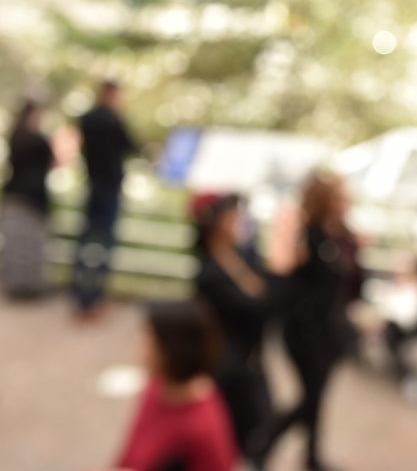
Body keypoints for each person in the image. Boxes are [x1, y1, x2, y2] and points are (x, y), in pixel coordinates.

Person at [253, 173, 364, 471]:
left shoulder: (340, 237)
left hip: (329, 333)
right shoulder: (307, 236)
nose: (346, 203)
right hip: (303, 333)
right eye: (339, 197)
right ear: (325, 201)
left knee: (316, 399)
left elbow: (353, 281)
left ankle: (310, 457)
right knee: (310, 398)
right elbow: (282, 278)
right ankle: (262, 444)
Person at [193, 193, 277, 465]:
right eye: (233, 217)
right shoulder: (209, 273)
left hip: (249, 361)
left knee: (261, 430)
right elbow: (257, 304)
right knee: (237, 436)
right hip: (228, 369)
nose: (239, 223)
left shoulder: (240, 256)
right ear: (216, 223)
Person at [114, 300, 238, 471]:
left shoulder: (201, 427)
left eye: (148, 336)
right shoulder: (157, 386)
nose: (138, 341)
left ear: (172, 348)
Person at [71, 80, 137, 316]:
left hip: (93, 185)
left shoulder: (88, 119)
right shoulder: (113, 120)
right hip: (108, 188)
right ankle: (94, 296)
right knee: (104, 243)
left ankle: (79, 293)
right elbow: (132, 146)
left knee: (86, 240)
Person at [0, 100, 54, 298]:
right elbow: (52, 161)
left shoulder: (15, 135)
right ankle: (28, 288)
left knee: (19, 245)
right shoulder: (37, 139)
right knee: (30, 245)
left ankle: (20, 287)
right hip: (31, 197)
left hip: (16, 195)